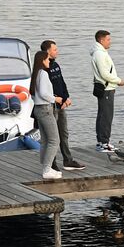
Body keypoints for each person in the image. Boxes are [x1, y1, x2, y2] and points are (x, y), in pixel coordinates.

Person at [39, 40, 83, 172]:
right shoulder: (43, 69)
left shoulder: (56, 65)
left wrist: (66, 98)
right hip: (51, 106)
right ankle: (52, 164)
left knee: (64, 133)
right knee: (52, 137)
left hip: (61, 104)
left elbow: (61, 83)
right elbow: (46, 90)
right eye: (55, 50)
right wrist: (57, 100)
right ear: (48, 51)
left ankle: (67, 160)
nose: (57, 52)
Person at [90, 29, 124, 152]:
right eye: (108, 39)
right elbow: (104, 74)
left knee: (102, 115)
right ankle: (104, 143)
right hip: (106, 88)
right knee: (106, 116)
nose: (110, 41)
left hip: (105, 87)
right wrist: (118, 80)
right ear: (101, 40)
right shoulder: (99, 54)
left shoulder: (100, 52)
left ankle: (101, 141)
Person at [30, 50, 61, 180]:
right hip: (45, 109)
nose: (49, 61)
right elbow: (43, 93)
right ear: (43, 60)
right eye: (48, 59)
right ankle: (47, 169)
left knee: (45, 140)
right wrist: (55, 99)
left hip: (38, 108)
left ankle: (46, 167)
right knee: (54, 140)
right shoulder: (43, 74)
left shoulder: (36, 74)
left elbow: (34, 94)